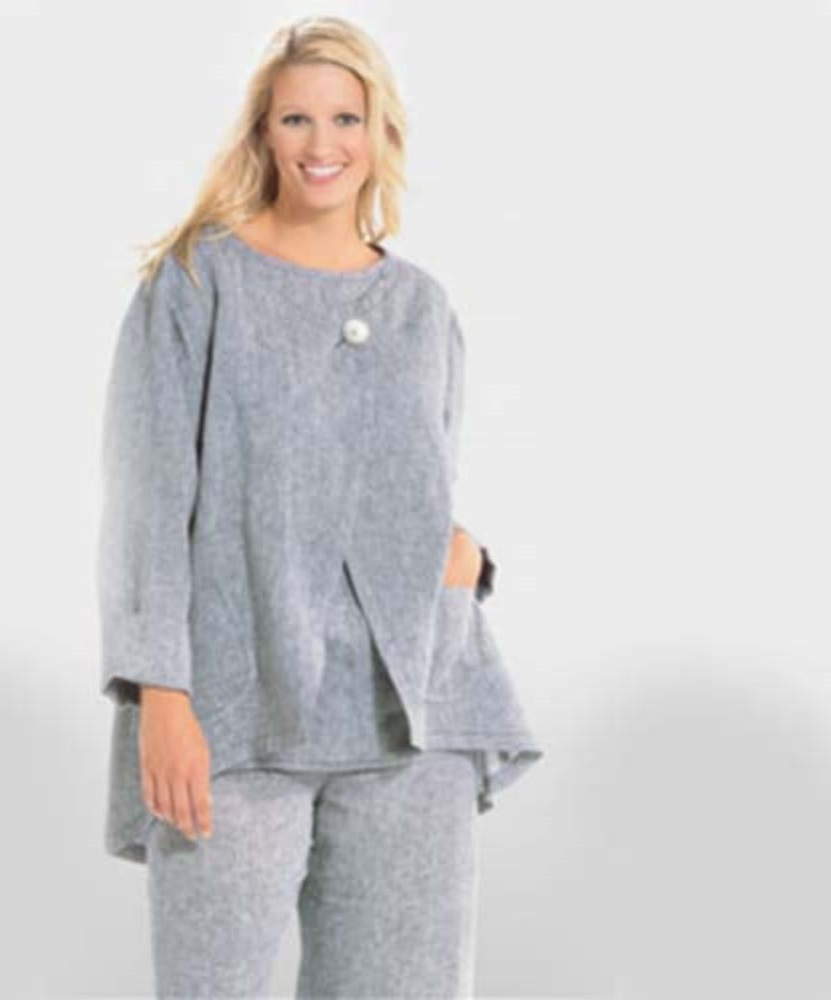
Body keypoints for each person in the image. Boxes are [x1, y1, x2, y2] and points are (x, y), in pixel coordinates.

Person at [96, 15, 543, 998]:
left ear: (381, 133)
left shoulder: (422, 306)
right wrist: (159, 692)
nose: (321, 142)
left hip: (410, 722)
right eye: (295, 117)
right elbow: (145, 500)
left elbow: (418, 475)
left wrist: (468, 561)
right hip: (235, 710)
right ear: (262, 132)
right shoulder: (195, 282)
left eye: (346, 117)